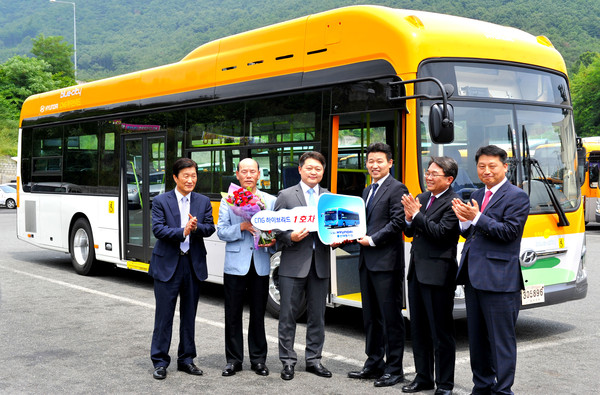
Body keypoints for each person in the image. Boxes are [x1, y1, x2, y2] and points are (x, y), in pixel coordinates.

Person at [451, 145, 529, 395]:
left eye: (492, 166)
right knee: (477, 338)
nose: (486, 171)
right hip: (474, 277)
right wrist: (464, 223)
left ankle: (503, 390)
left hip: (500, 279)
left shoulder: (517, 196)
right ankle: (482, 386)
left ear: (505, 167)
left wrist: (476, 218)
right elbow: (473, 233)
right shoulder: (476, 193)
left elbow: (509, 232)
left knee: (501, 341)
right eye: (481, 166)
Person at [149, 158, 215, 380]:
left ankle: (186, 359)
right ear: (175, 177)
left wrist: (195, 229)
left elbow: (210, 227)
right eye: (186, 176)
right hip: (168, 263)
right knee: (164, 316)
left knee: (189, 315)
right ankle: (159, 361)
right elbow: (158, 230)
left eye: (194, 175)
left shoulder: (203, 201)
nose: (190, 180)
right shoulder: (160, 201)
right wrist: (182, 231)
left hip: (192, 264)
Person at [348, 142, 408, 388]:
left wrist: (372, 240)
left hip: (386, 264)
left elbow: (398, 223)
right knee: (371, 317)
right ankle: (373, 363)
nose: (374, 165)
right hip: (367, 262)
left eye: (379, 161)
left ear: (390, 163)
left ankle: (395, 369)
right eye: (370, 161)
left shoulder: (397, 188)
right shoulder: (366, 190)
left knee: (390, 318)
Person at [401, 156, 460, 395]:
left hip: (439, 274)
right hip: (416, 271)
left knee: (441, 332)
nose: (428, 177)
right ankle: (423, 376)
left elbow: (442, 234)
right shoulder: (422, 198)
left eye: (434, 174)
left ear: (449, 179)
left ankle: (445, 384)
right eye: (428, 172)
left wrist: (416, 215)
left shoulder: (454, 202)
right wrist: (408, 217)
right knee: (419, 329)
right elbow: (409, 230)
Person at [274, 151, 332, 381]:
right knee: (287, 315)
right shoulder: (286, 195)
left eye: (318, 169)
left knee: (317, 316)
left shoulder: (328, 197)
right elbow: (275, 229)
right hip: (293, 264)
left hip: (320, 265)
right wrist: (291, 237)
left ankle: (314, 360)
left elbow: (334, 228)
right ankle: (287, 362)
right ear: (300, 169)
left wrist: (337, 239)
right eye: (309, 168)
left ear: (323, 171)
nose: (313, 172)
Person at [217, 158, 276, 377]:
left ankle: (258, 360)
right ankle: (233, 360)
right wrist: (243, 226)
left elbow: (276, 232)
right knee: (232, 314)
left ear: (259, 174)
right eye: (245, 171)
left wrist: (272, 241)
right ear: (237, 174)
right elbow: (221, 231)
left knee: (258, 314)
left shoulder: (270, 200)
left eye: (253, 171)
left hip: (260, 263)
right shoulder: (229, 200)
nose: (249, 175)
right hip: (235, 265)